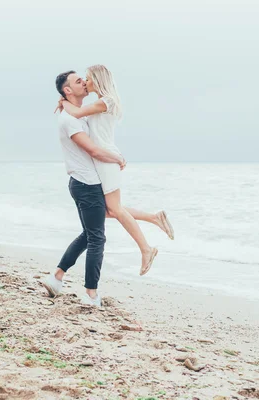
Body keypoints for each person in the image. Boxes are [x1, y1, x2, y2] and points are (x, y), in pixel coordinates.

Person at [57, 65, 174, 276]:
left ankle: (146, 249)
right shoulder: (101, 102)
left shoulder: (106, 101)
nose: (86, 82)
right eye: (82, 80)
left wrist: (64, 102)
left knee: (115, 209)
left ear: (98, 79)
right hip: (103, 159)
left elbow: (77, 112)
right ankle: (153, 218)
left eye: (88, 79)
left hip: (106, 158)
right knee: (108, 210)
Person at [41, 70, 125, 306]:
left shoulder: (78, 116)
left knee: (89, 235)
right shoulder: (69, 120)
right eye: (78, 81)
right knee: (97, 238)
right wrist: (118, 160)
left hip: (86, 182)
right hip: (86, 184)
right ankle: (90, 294)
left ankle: (57, 277)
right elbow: (94, 150)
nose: (84, 83)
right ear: (68, 90)